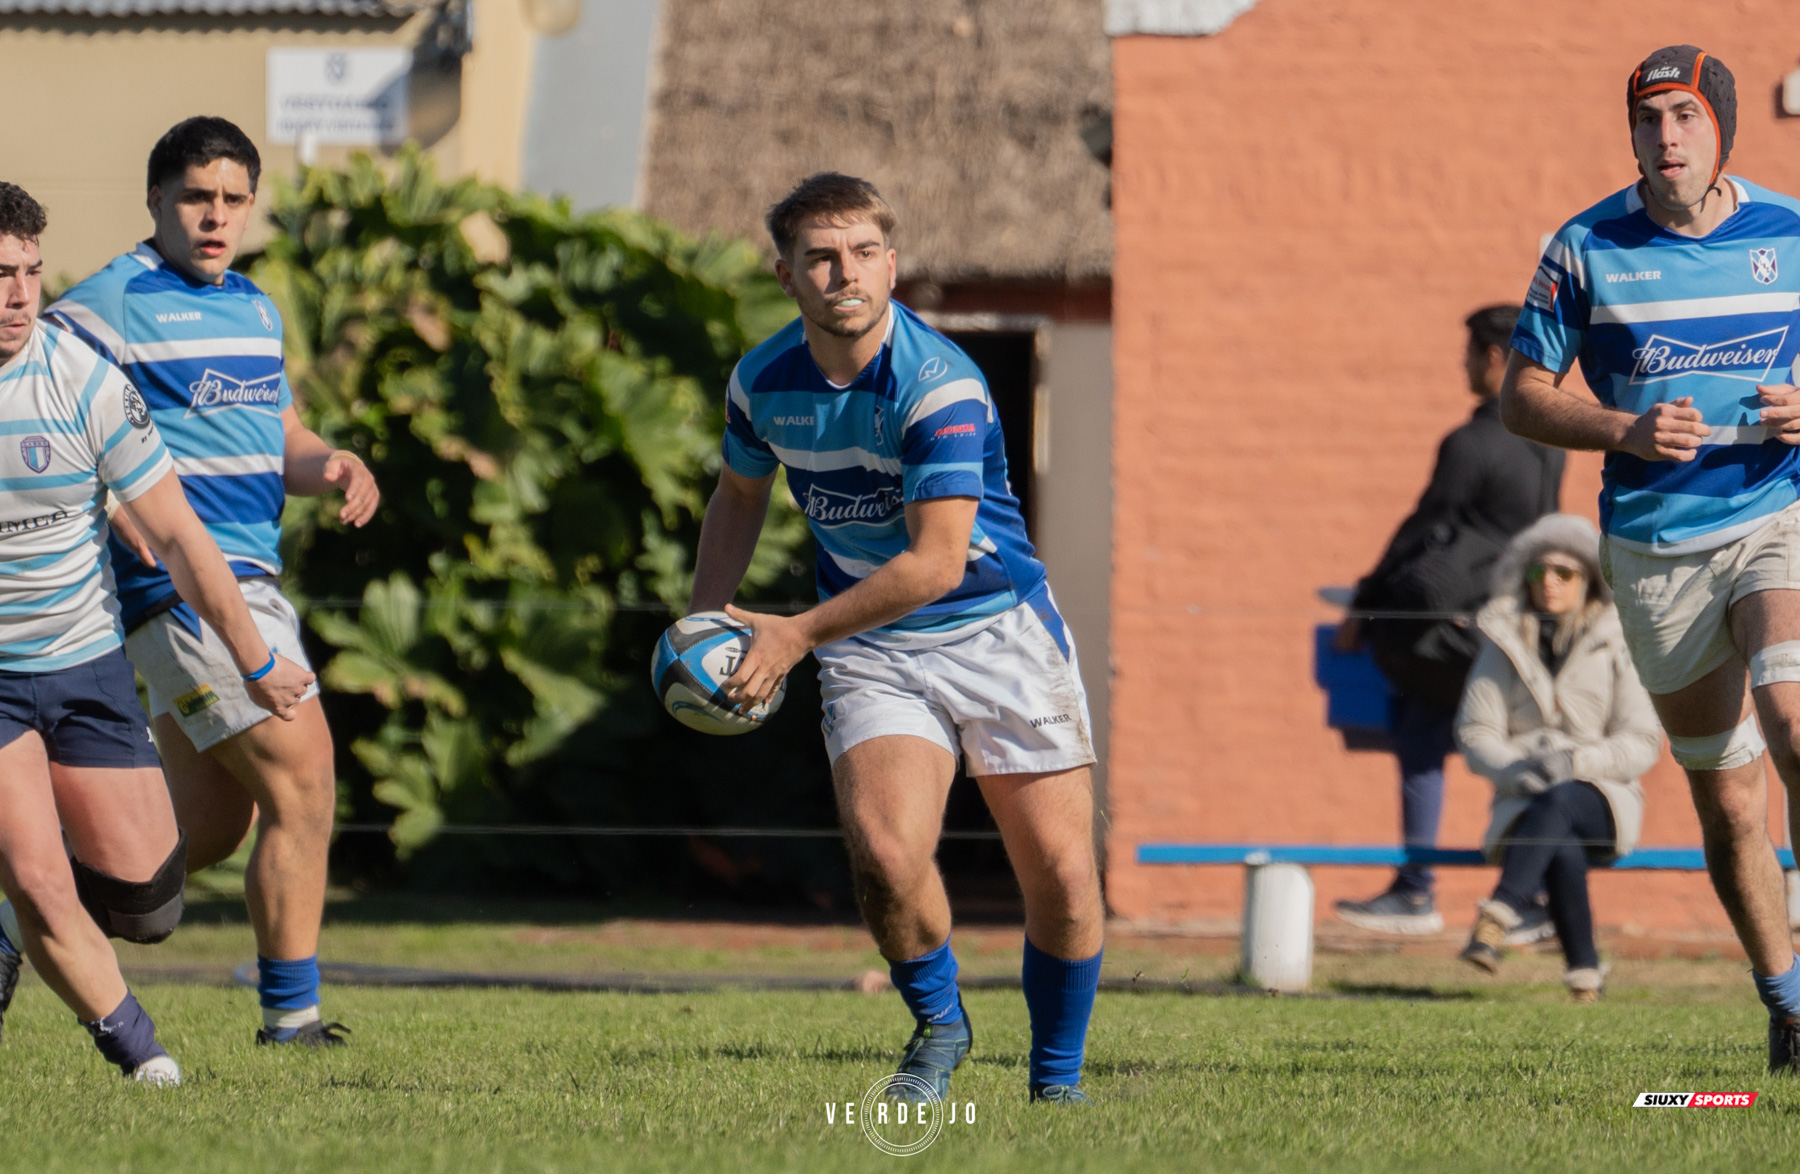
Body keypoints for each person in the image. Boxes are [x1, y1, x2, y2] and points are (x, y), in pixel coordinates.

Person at [687, 173, 1103, 1105]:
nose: (847, 274)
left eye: (865, 253)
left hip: (995, 632)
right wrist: (707, 619)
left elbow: (935, 566)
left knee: (1068, 882)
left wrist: (793, 634)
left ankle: (1056, 1083)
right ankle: (940, 1025)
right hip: (873, 648)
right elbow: (741, 494)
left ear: (893, 263)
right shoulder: (762, 380)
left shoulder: (938, 383)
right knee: (884, 855)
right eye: (823, 257)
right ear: (787, 273)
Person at [42, 116, 379, 1047]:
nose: (216, 216)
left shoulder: (256, 308)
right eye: (196, 196)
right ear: (155, 200)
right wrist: (110, 506)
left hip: (253, 575)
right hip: (181, 588)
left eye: (234, 199)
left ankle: (25, 911)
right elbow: (43, 408)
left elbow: (281, 436)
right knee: (305, 779)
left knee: (203, 830)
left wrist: (334, 464)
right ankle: (293, 1020)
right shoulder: (103, 304)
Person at [1500, 43, 1800, 1070]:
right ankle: (1787, 998)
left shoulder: (1790, 232)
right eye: (1648, 119)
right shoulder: (1584, 246)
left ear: (1720, 127)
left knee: (1794, 715)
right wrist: (1622, 430)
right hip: (1656, 549)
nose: (1665, 137)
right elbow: (1520, 397)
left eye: (1684, 116)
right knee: (1726, 801)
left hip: (1775, 515)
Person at [0, 182, 312, 1083]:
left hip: (86, 664)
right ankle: (147, 1063)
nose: (20, 294)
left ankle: (9, 919)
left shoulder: (83, 379)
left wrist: (254, 659)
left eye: (29, 273)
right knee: (39, 871)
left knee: (148, 899)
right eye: (0, 275)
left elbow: (178, 533)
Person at [1334, 305, 1566, 933]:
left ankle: (1424, 891)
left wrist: (1364, 602)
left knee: (1428, 731)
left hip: (1453, 634)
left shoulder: (1471, 443)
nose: (1463, 365)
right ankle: (1523, 899)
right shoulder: (1548, 448)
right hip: (1512, 628)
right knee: (1477, 739)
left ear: (1494, 358)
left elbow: (1422, 530)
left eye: (1469, 354)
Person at [1454, 515, 1661, 1000]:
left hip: (1604, 800)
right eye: (1538, 572)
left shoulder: (1620, 643)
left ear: (1588, 581)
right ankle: (1586, 978)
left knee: (1564, 799)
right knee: (1558, 838)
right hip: (1524, 799)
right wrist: (1514, 770)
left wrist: (1576, 764)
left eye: (1563, 573)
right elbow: (1476, 730)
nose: (1548, 582)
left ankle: (1500, 912)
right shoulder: (1501, 644)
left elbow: (1642, 741)